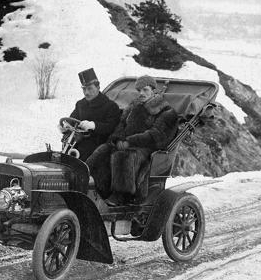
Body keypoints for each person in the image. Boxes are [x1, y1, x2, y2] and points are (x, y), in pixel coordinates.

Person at [86, 75, 178, 205]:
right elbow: (121, 125)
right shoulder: (133, 106)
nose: (141, 93)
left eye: (145, 90)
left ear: (153, 91)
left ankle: (121, 196)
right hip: (126, 144)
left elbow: (156, 135)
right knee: (103, 150)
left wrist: (130, 141)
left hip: (148, 149)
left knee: (124, 156)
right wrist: (117, 140)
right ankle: (97, 189)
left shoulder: (166, 112)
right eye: (139, 90)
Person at [60, 68, 121, 161]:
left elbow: (112, 127)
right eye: (84, 89)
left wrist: (93, 125)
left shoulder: (111, 106)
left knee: (78, 158)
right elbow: (71, 120)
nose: (86, 93)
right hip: (79, 141)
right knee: (64, 155)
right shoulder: (80, 104)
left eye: (89, 88)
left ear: (98, 87)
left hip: (100, 144)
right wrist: (65, 127)